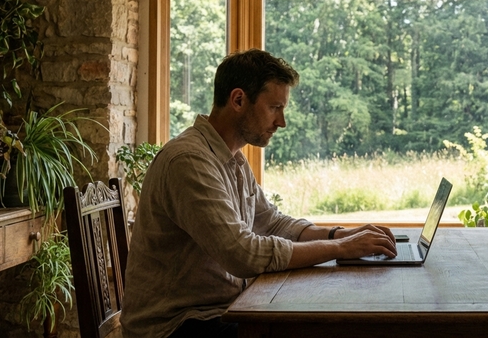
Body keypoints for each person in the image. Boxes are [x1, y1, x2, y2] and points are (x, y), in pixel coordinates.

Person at [121, 48, 397, 338]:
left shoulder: (232, 158)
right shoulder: (188, 161)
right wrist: (341, 249)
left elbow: (272, 223)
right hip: (177, 327)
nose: (281, 122)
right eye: (274, 108)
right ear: (238, 100)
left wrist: (339, 235)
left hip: (217, 312)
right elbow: (243, 254)